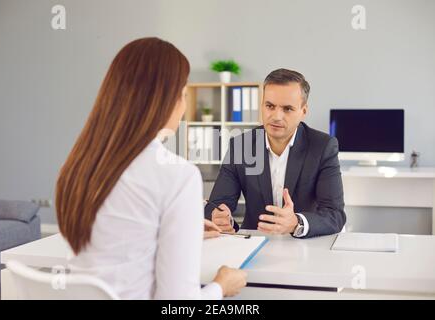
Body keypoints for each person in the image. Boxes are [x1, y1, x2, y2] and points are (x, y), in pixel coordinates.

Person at [55, 37, 247, 299]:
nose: (185, 104)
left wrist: (178, 233)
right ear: (165, 99)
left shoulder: (80, 165)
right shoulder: (179, 175)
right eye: (183, 93)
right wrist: (221, 286)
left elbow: (116, 240)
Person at [205, 68, 346, 238]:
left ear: (303, 111)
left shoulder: (323, 147)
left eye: (287, 109)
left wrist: (296, 222)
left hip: (304, 243)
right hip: (254, 241)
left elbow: (335, 215)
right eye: (270, 106)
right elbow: (217, 205)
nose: (276, 116)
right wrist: (220, 218)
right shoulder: (241, 145)